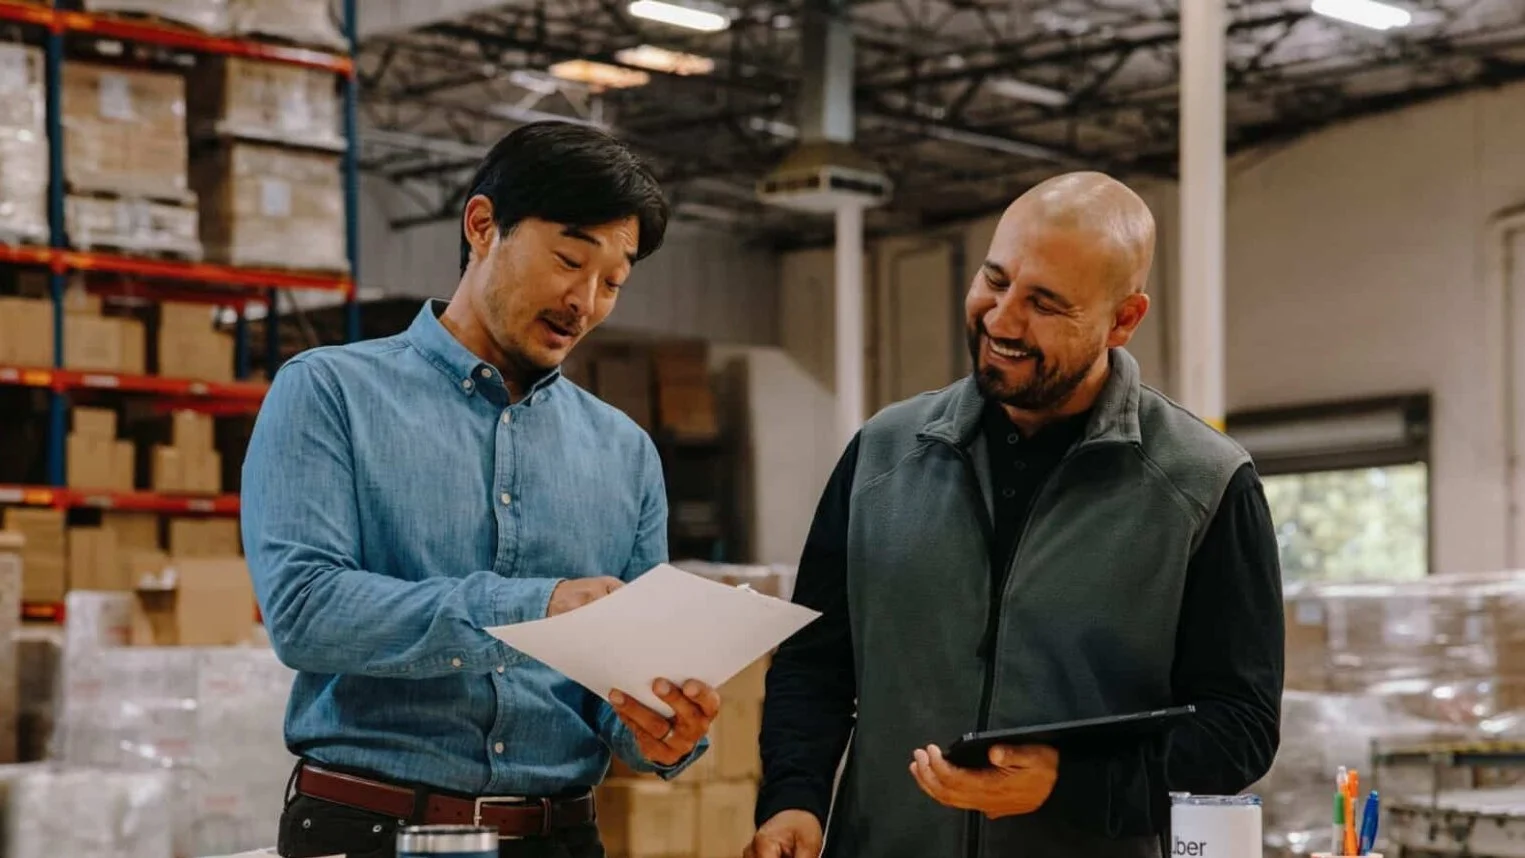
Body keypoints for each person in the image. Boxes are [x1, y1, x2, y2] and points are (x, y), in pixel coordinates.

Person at [747, 172, 1284, 858]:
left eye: (1045, 304)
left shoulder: (1204, 483)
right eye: (994, 281)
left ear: (1123, 320)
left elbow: (1239, 728)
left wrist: (1070, 782)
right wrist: (793, 800)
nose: (1001, 320)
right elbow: (813, 664)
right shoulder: (881, 454)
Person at [242, 121, 720, 858]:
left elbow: (619, 680)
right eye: (569, 260)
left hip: (557, 839)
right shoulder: (330, 392)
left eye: (612, 284)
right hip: (370, 830)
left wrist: (660, 729)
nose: (584, 301)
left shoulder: (625, 452)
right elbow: (305, 612)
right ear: (482, 225)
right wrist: (535, 607)